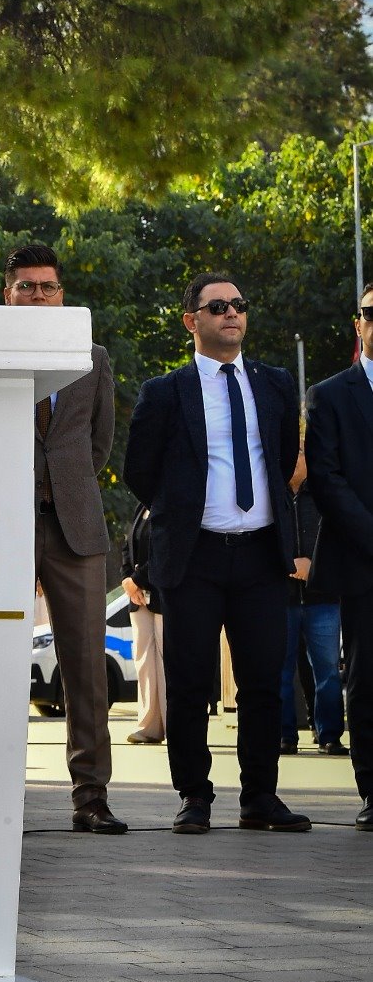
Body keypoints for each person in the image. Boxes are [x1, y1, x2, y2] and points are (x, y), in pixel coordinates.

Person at [124, 273, 307, 834]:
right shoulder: (165, 392)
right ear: (191, 321)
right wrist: (182, 509)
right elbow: (139, 473)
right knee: (188, 683)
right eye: (218, 306)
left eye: (239, 305)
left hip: (260, 555)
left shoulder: (275, 384)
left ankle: (260, 798)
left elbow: (282, 461)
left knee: (262, 682)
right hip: (193, 557)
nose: (232, 313)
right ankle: (194, 797)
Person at [3, 244, 125, 835]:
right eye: (26, 286)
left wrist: (65, 486)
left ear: (61, 294)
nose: (38, 296)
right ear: (7, 295)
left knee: (86, 669)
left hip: (75, 525)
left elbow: (98, 443)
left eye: (47, 287)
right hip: (5, 524)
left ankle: (91, 797)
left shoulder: (91, 357)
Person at [304, 280, 373, 830]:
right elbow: (325, 480)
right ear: (358, 323)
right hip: (363, 562)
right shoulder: (328, 395)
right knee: (367, 680)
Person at [279, 446, 345, 757]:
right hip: (282, 598)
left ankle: (329, 735)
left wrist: (312, 567)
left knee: (328, 671)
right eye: (291, 452)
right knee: (280, 670)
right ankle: (284, 736)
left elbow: (337, 540)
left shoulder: (323, 494)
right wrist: (287, 565)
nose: (294, 459)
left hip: (323, 597)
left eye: (301, 452)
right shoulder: (273, 495)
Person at [121, 502, 165, 746]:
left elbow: (166, 549)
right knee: (144, 662)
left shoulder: (168, 505)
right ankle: (149, 727)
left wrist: (137, 580)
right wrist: (127, 580)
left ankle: (173, 724)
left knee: (166, 661)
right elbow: (126, 547)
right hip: (138, 598)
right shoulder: (140, 507)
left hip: (164, 594)